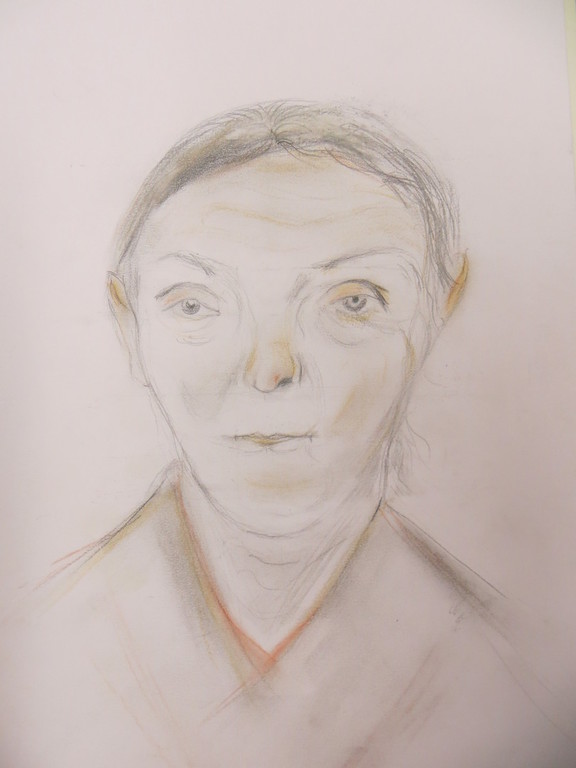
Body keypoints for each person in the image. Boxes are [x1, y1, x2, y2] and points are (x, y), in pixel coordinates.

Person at [7, 101, 574, 768]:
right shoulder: (33, 656)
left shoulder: (526, 683)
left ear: (435, 312)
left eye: (352, 301)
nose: (270, 369)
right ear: (129, 326)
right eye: (195, 304)